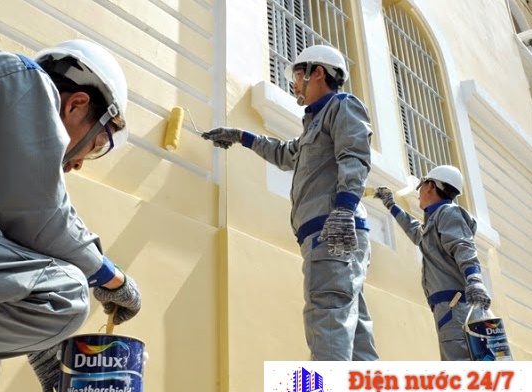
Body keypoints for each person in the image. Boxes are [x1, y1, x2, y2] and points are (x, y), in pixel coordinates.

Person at [0, 40, 142, 392]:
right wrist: (110, 278)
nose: (78, 164)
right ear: (76, 105)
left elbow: (1, 257)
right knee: (67, 292)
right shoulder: (23, 81)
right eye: (96, 145)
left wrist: (36, 339)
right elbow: (41, 217)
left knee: (1, 264)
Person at [202, 45, 378, 361]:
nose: (293, 84)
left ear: (318, 72)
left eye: (297, 75)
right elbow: (285, 154)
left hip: (332, 228)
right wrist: (241, 136)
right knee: (353, 331)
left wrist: (343, 209)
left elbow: (355, 155)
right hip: (331, 230)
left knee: (327, 318)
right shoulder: (315, 124)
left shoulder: (343, 106)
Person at [374, 165, 491, 360]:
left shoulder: (448, 213)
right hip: (451, 308)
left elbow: (462, 246)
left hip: (456, 307)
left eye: (421, 186)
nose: (419, 192)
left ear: (430, 186)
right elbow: (416, 233)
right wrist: (391, 205)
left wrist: (475, 279)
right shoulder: (437, 220)